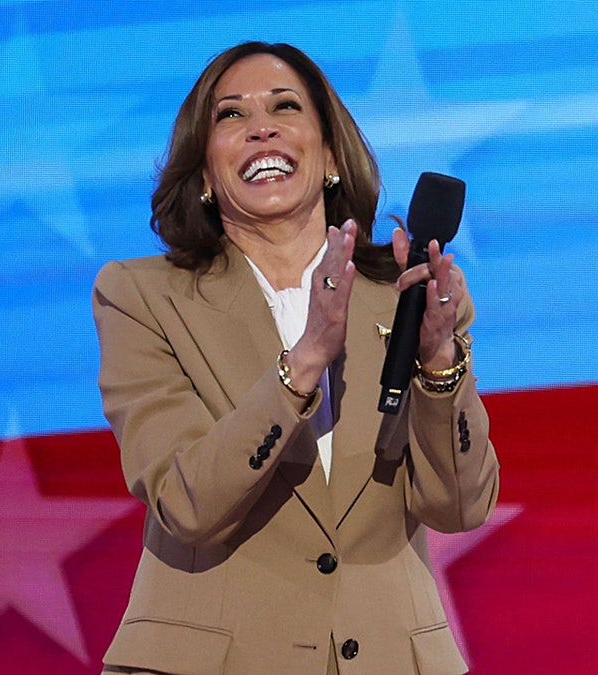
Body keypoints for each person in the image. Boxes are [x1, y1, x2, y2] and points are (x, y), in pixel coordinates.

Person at [92, 41, 500, 675]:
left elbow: (459, 506)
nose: (262, 127)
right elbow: (185, 502)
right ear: (203, 172)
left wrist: (439, 364)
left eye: (286, 106)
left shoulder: (408, 294)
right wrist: (305, 360)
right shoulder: (141, 295)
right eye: (231, 116)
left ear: (331, 155)